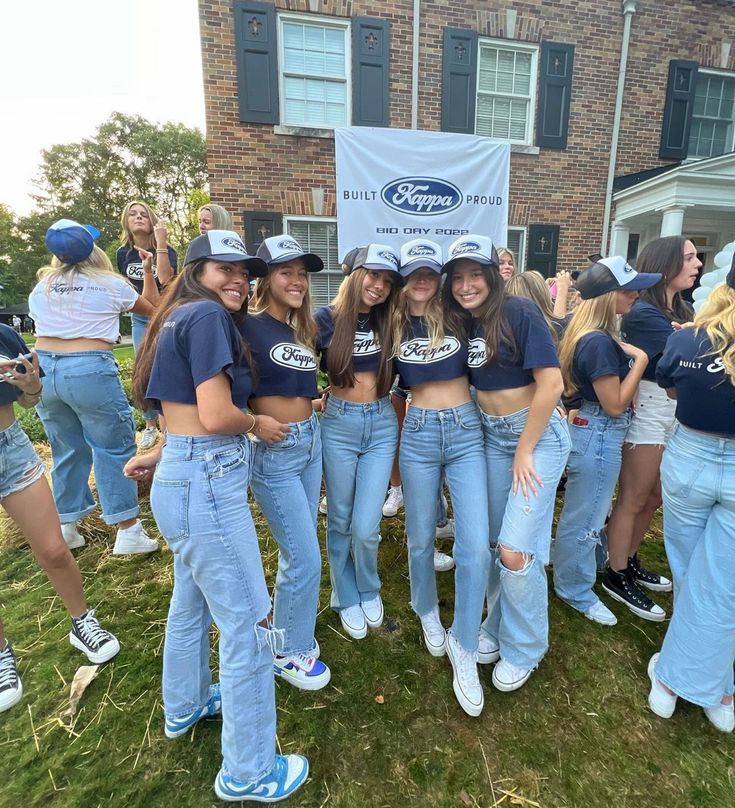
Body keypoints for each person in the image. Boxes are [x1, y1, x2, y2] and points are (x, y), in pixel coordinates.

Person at [125, 229, 309, 801]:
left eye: (243, 271)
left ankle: (184, 706)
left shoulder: (178, 317)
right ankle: (250, 771)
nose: (237, 279)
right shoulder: (206, 319)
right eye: (223, 268)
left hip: (183, 472)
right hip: (206, 481)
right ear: (196, 269)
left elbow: (176, 415)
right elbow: (213, 414)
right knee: (250, 622)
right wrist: (257, 424)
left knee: (190, 603)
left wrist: (161, 453)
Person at [443, 235, 571, 692]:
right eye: (457, 278)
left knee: (516, 549)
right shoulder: (466, 324)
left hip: (534, 441)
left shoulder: (518, 311)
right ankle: (496, 629)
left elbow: (552, 384)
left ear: (494, 275)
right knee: (502, 544)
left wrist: (524, 447)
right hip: (496, 440)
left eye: (475, 274)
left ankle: (526, 647)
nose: (466, 285)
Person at [0, 327, 119, 714]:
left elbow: (31, 400)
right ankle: (2, 654)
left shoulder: (4, 335)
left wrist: (31, 384)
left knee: (54, 549)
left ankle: (81, 621)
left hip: (11, 449)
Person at [394, 239, 490, 716]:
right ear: (402, 277)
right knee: (418, 538)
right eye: (414, 271)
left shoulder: (460, 314)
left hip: (467, 428)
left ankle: (465, 641)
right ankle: (426, 610)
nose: (423, 279)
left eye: (432, 271)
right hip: (418, 432)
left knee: (475, 542)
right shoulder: (388, 321)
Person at [28, 219, 158, 555]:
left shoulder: (42, 288)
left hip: (44, 369)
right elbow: (151, 310)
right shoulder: (110, 284)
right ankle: (127, 530)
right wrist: (146, 271)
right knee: (112, 447)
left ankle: (67, 526)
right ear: (92, 250)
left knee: (67, 448)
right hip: (88, 367)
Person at [647, 265, 735, 733]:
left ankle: (676, 678)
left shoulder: (686, 340)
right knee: (722, 582)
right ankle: (717, 685)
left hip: (691, 453)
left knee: (689, 568)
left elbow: (672, 387)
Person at [245, 235, 331, 691]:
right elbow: (223, 386)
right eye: (286, 272)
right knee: (304, 556)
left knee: (300, 549)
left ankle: (287, 629)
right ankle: (286, 651)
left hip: (308, 441)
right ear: (265, 278)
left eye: (302, 273)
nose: (297, 281)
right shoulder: (246, 325)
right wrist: (252, 421)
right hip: (274, 450)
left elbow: (297, 380)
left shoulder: (302, 329)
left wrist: (311, 402)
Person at [553, 257, 658, 626]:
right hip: (598, 432)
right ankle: (573, 587)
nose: (636, 294)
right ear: (605, 295)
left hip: (593, 430)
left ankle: (574, 570)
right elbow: (613, 405)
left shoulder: (596, 335)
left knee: (586, 512)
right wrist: (641, 360)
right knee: (586, 517)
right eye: (628, 289)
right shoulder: (598, 342)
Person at [604, 236, 701, 620]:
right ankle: (615, 572)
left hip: (674, 413)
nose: (697, 264)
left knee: (656, 496)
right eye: (689, 257)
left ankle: (628, 557)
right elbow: (686, 359)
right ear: (666, 264)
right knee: (635, 494)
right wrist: (691, 337)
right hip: (648, 409)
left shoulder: (683, 308)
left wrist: (689, 335)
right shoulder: (644, 312)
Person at [316, 244, 401, 640]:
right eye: (373, 275)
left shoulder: (392, 322)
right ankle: (345, 593)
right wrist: (312, 399)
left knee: (366, 526)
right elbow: (291, 364)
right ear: (353, 274)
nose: (380, 286)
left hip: (382, 422)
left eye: (387, 280)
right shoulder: (324, 320)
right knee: (341, 517)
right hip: (339, 424)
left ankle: (369, 587)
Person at [117, 201, 177, 449]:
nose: (139, 217)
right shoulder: (123, 253)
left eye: (144, 214)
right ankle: (150, 426)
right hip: (140, 316)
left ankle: (169, 424)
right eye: (133, 214)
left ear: (153, 222)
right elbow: (127, 289)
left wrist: (161, 245)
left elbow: (167, 280)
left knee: (164, 366)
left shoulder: (167, 249)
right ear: (126, 222)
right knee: (142, 369)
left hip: (164, 315)